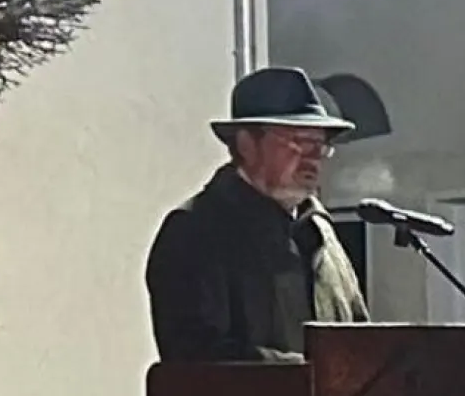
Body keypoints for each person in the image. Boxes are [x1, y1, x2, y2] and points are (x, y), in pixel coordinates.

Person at [146, 66, 369, 363]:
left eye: (320, 144)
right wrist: (309, 374)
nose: (313, 156)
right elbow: (193, 357)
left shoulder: (322, 234)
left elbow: (360, 342)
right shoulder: (195, 232)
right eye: (299, 141)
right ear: (246, 144)